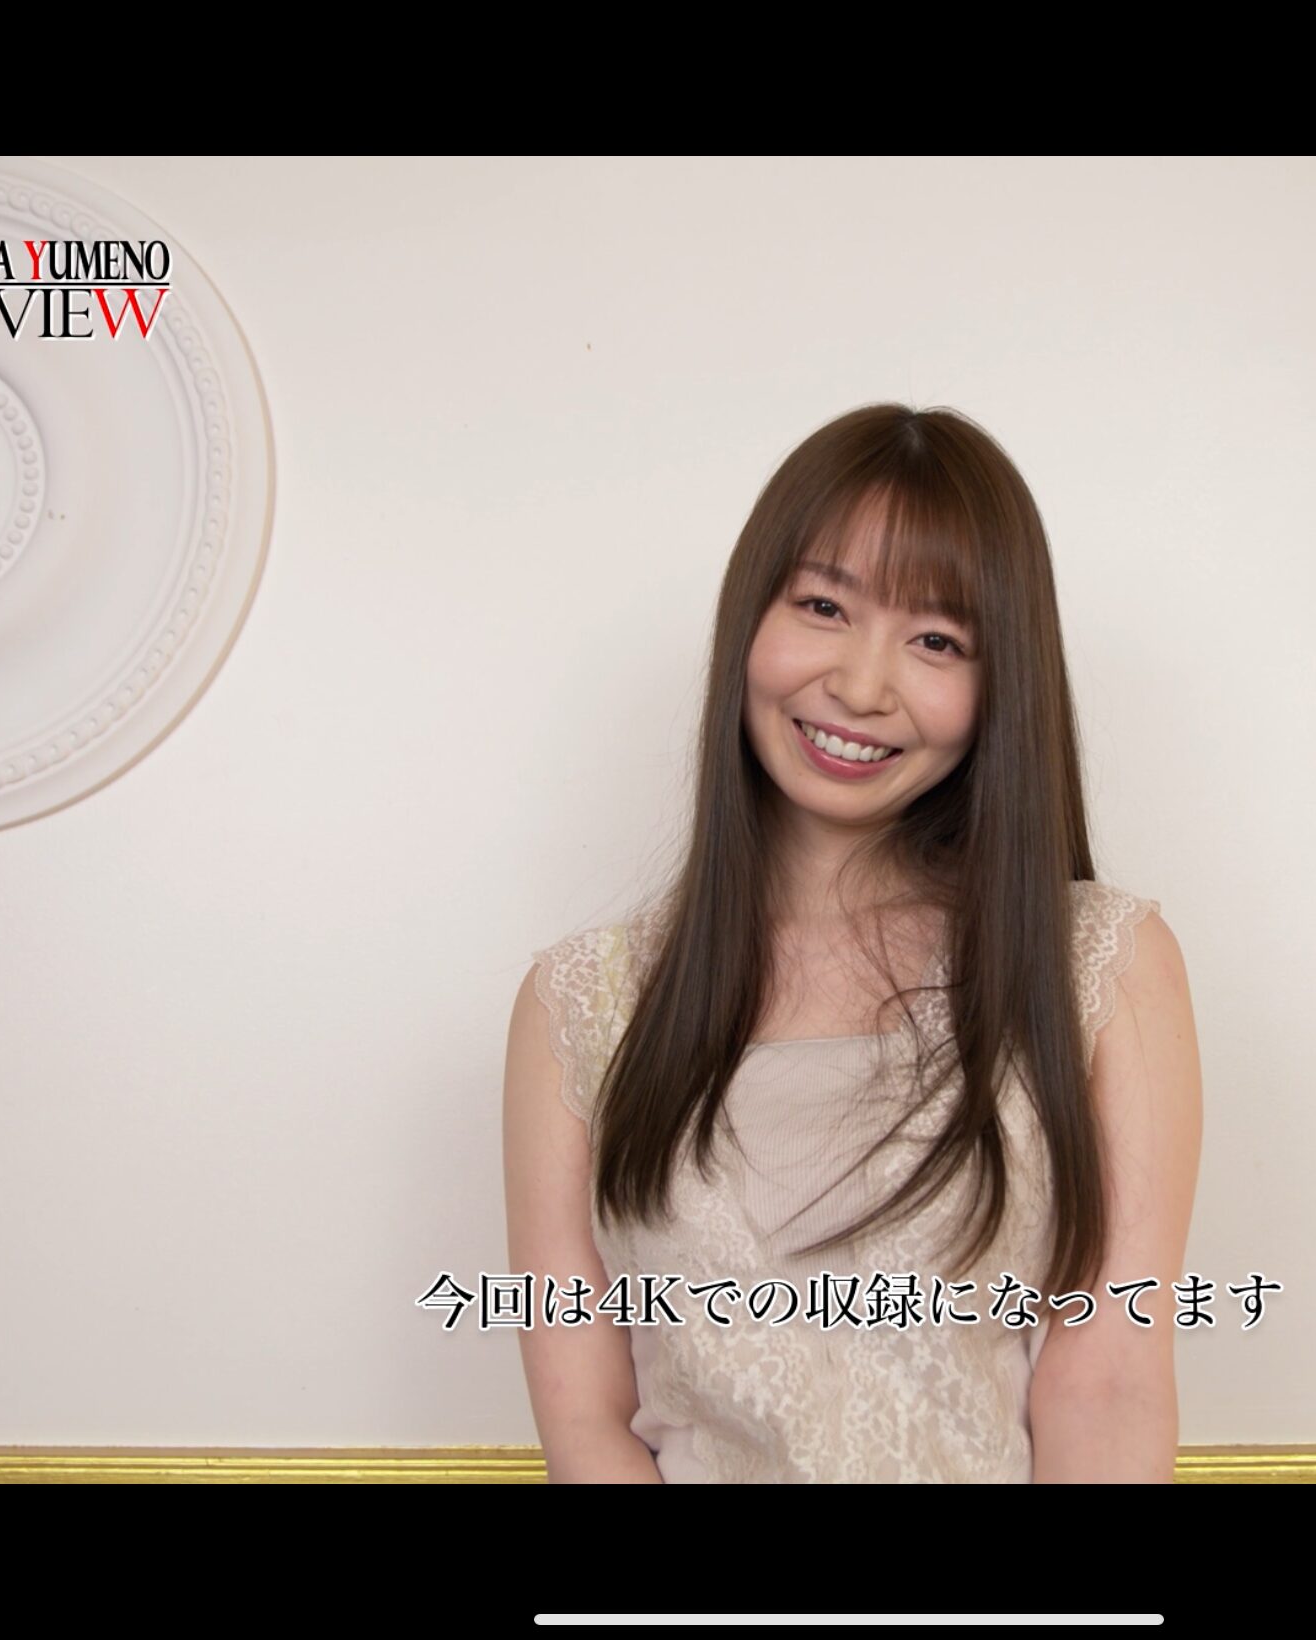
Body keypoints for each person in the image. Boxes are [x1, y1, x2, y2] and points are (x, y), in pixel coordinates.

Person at [502, 403, 1202, 1482]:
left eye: (937, 641)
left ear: (999, 686)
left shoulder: (1097, 965)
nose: (862, 687)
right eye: (823, 605)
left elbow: (1108, 1383)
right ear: (750, 617)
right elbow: (586, 1423)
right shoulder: (584, 1003)